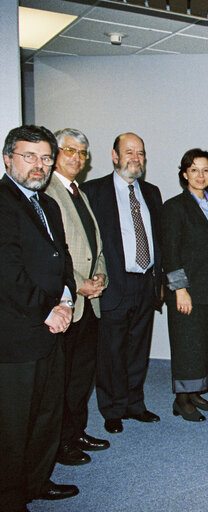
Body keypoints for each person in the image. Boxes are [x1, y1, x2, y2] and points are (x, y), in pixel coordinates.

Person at [0, 125, 78, 509]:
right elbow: (7, 273)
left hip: (53, 326)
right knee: (13, 425)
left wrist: (66, 301)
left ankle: (37, 481)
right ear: (7, 158)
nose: (39, 165)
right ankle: (10, 497)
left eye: (46, 157)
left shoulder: (47, 203)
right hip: (17, 334)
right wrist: (48, 310)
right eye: (29, 156)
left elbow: (61, 259)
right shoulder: (1, 202)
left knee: (47, 413)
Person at [81, 132, 164, 434]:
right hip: (113, 283)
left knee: (138, 348)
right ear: (114, 156)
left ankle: (134, 404)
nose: (135, 158)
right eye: (128, 152)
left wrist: (161, 279)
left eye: (140, 152)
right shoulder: (93, 191)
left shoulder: (152, 192)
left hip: (146, 282)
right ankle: (112, 408)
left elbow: (159, 240)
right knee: (111, 351)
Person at [47, 128, 110, 466]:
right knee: (63, 378)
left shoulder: (79, 193)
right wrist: (78, 283)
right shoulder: (48, 192)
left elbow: (93, 247)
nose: (77, 157)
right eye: (70, 150)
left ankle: (76, 432)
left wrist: (101, 276)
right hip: (68, 302)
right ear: (56, 153)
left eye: (83, 152)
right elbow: (53, 252)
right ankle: (59, 443)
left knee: (82, 376)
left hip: (90, 302)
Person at [161, 149, 208, 422]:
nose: (200, 175)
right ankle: (181, 400)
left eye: (205, 170)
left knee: (206, 341)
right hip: (187, 289)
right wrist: (179, 289)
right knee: (187, 344)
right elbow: (170, 251)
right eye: (194, 170)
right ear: (184, 174)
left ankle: (194, 393)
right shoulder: (174, 207)